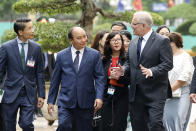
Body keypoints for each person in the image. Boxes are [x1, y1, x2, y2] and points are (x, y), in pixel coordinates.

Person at [112, 11, 173, 131]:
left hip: (155, 93)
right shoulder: (133, 42)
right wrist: (123, 70)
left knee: (155, 124)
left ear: (143, 25)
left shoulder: (162, 41)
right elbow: (130, 63)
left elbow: (168, 64)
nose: (131, 26)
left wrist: (152, 71)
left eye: (134, 24)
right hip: (136, 94)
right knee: (138, 126)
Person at [47, 26, 105, 131]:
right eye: (79, 38)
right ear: (71, 40)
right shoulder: (61, 55)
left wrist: (99, 97)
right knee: (64, 125)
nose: (84, 40)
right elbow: (55, 80)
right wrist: (51, 101)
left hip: (86, 101)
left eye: (85, 37)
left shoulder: (94, 55)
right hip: (66, 101)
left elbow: (100, 77)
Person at [0, 18, 45, 131]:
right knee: (7, 126)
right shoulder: (6, 47)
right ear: (20, 32)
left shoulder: (37, 48)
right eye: (30, 28)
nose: (33, 30)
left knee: (27, 124)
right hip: (10, 93)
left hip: (28, 93)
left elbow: (40, 73)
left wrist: (41, 94)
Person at [163, 32, 194, 131]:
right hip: (166, 95)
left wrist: (169, 90)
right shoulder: (165, 57)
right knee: (166, 122)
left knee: (178, 121)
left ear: (174, 43)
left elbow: (184, 77)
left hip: (182, 94)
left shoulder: (185, 57)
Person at [101, 31, 129, 131]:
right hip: (106, 95)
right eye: (113, 40)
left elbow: (131, 80)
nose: (116, 42)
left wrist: (119, 77)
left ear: (122, 42)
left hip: (122, 96)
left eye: (118, 40)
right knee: (105, 124)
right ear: (108, 43)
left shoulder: (127, 59)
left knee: (119, 124)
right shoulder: (103, 60)